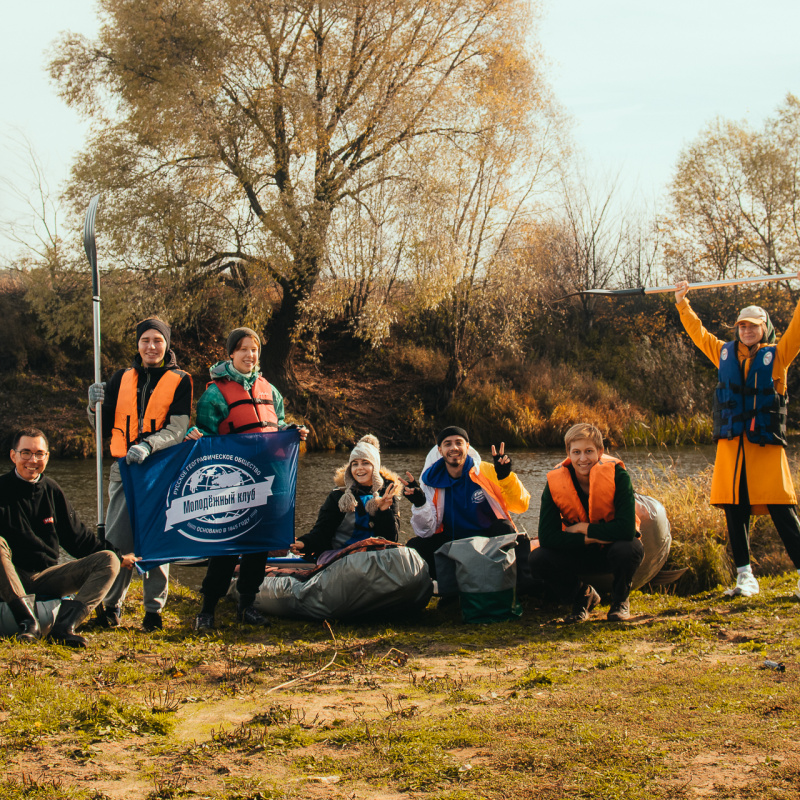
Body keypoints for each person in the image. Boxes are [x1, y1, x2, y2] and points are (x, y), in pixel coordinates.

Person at [676, 277, 800, 599]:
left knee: (783, 512)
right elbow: (699, 334)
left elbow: (797, 332)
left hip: (764, 447)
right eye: (742, 326)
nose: (747, 331)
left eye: (753, 326)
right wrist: (682, 302)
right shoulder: (724, 354)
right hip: (733, 450)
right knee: (735, 509)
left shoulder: (779, 356)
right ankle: (745, 577)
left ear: (764, 328)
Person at [190, 327, 307, 630]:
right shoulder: (215, 394)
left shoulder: (269, 389)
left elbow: (277, 426)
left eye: (253, 349)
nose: (249, 355)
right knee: (226, 548)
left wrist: (292, 432)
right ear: (230, 353)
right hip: (232, 482)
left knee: (258, 544)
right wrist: (195, 437)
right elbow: (206, 438)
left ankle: (247, 605)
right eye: (242, 349)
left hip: (266, 479)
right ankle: (207, 609)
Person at [88, 317, 193, 631]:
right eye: (146, 340)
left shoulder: (181, 379)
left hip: (160, 470)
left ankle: (153, 612)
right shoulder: (120, 378)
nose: (151, 346)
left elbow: (178, 429)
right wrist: (93, 407)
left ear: (167, 344)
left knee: (156, 541)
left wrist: (149, 445)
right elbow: (100, 429)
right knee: (117, 542)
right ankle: (110, 608)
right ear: (138, 343)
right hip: (123, 470)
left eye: (158, 341)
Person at [0, 428, 136, 647]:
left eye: (39, 454)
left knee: (108, 559)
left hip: (45, 577)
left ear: (47, 457)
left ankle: (64, 627)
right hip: (8, 577)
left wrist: (119, 557)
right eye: (25, 453)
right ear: (13, 455)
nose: (32, 460)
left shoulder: (52, 490)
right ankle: (27, 623)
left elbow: (78, 538)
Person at [529, 423, 644, 623]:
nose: (583, 459)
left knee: (629, 548)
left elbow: (626, 530)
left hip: (613, 550)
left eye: (589, 451)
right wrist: (589, 539)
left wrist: (584, 529)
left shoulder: (619, 476)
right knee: (538, 558)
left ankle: (620, 601)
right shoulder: (555, 482)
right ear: (568, 454)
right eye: (577, 452)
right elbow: (547, 537)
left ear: (600, 452)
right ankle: (582, 596)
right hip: (580, 552)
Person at [402, 426, 530, 578]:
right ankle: (449, 590)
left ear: (467, 447)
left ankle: (518, 583)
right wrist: (420, 504)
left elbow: (521, 506)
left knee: (505, 528)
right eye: (447, 444)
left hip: (488, 541)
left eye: (459, 442)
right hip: (453, 541)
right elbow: (425, 531)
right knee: (416, 546)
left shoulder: (488, 471)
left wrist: (506, 477)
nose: (454, 447)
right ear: (440, 450)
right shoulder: (430, 482)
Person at [290, 434, 400, 563]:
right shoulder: (338, 496)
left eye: (365, 463)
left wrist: (384, 511)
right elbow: (322, 532)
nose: (359, 468)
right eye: (354, 464)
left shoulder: (388, 495)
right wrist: (304, 543)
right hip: (341, 557)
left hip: (375, 558)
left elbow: (392, 539)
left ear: (375, 467)